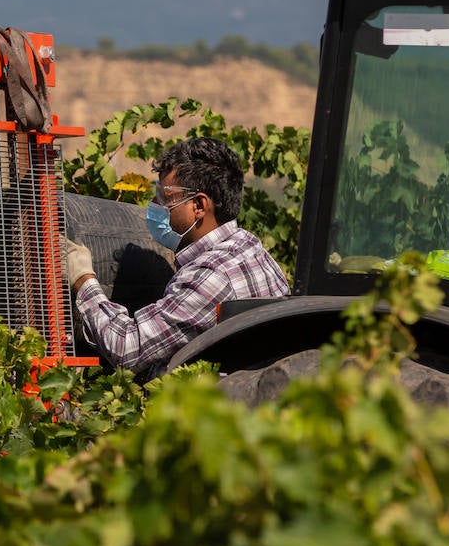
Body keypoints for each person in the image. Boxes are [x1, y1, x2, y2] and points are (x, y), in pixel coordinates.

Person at [62, 136, 289, 376]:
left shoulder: (210, 277)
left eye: (163, 196)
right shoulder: (249, 245)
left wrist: (83, 280)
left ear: (199, 206)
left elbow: (127, 348)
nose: (153, 204)